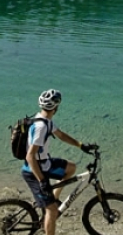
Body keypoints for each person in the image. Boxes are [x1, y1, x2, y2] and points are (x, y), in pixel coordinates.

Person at [21, 88, 97, 235]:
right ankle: (50, 208)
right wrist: (42, 181)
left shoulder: (45, 121)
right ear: (55, 108)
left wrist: (81, 145)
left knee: (71, 168)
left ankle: (53, 199)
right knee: (52, 210)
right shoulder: (41, 127)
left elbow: (61, 135)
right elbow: (30, 157)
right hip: (33, 171)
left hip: (45, 164)